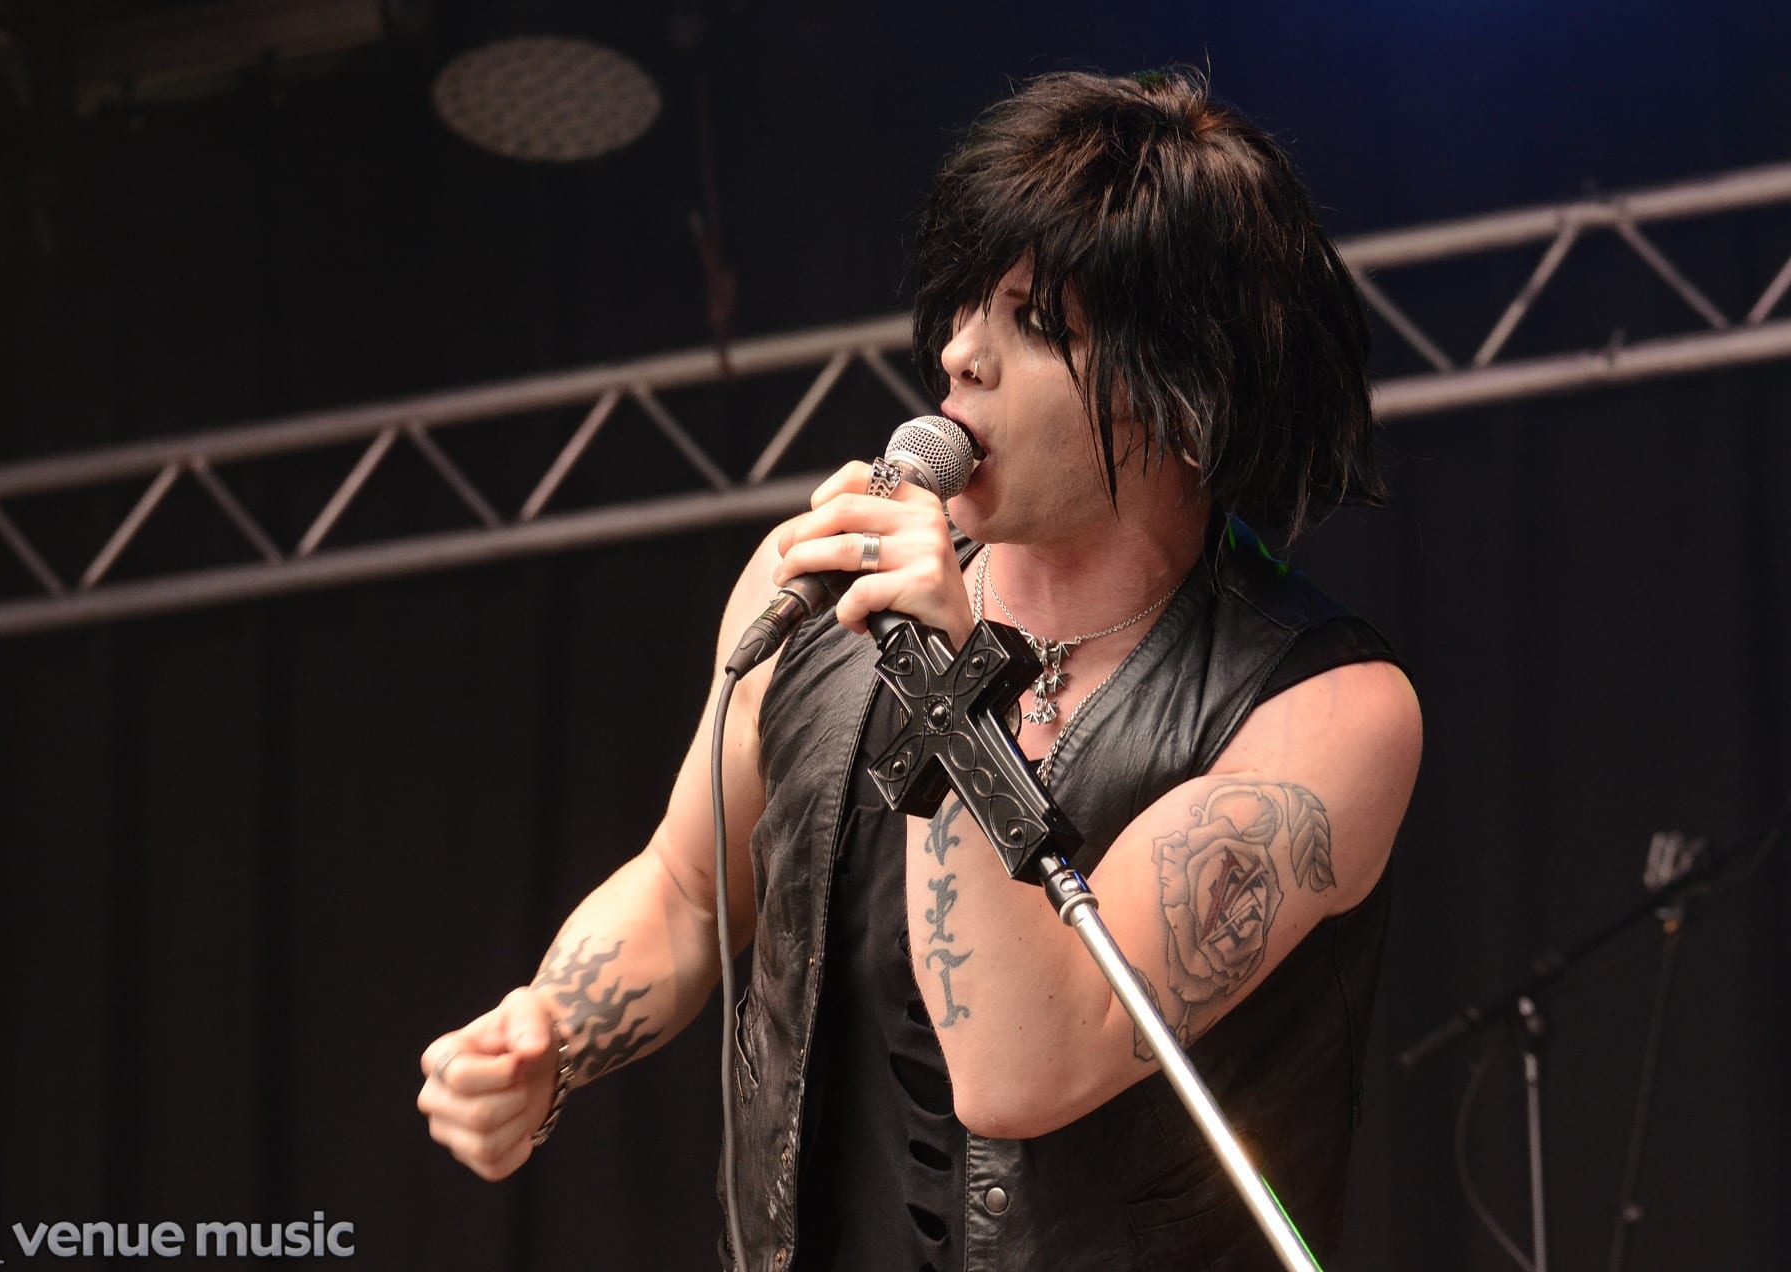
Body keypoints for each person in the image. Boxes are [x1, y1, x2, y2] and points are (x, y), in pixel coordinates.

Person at [418, 67, 1421, 1271]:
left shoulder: (1327, 711)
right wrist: (547, 1034)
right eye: (965, 305)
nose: (959, 355)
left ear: (1185, 393)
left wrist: (944, 684)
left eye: (1037, 324)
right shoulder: (816, 591)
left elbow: (1024, 1068)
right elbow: (685, 890)